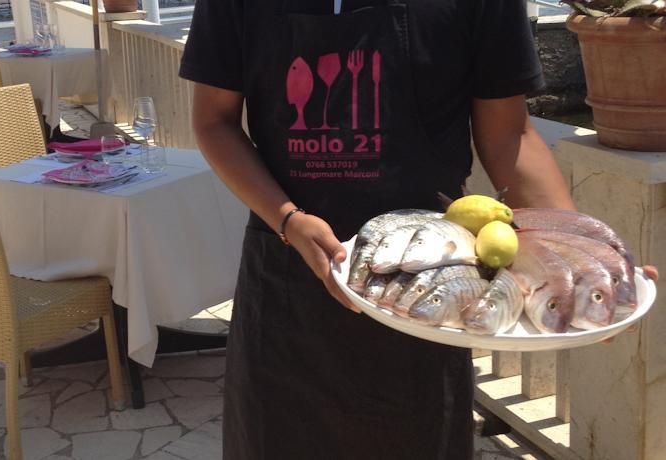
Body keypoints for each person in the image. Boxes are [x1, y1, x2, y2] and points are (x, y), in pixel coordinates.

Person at [179, 1, 658, 459]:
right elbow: (214, 121)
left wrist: (580, 267)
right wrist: (287, 218)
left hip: (432, 285)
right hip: (286, 283)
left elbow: (509, 134)